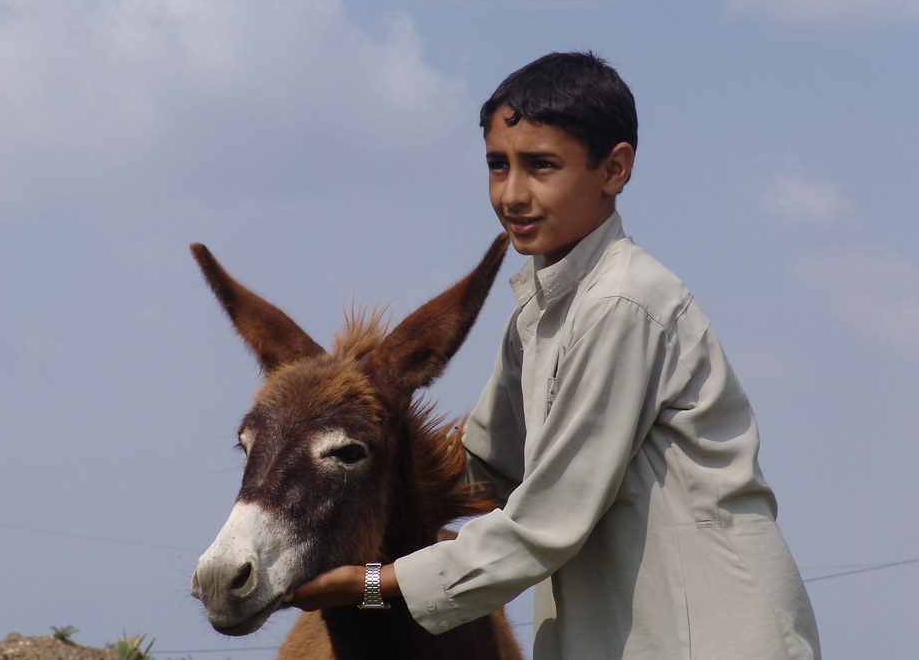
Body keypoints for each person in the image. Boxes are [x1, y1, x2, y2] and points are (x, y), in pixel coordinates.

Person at [288, 51, 822, 659]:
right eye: (498, 166)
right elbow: (490, 468)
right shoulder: (538, 311)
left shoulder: (625, 302)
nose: (512, 194)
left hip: (712, 633)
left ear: (614, 169)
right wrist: (333, 467)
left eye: (541, 166)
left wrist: (373, 586)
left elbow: (548, 520)